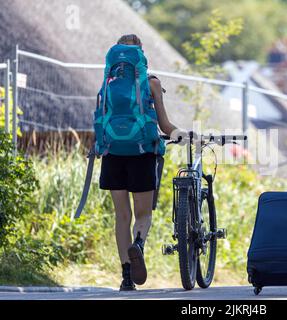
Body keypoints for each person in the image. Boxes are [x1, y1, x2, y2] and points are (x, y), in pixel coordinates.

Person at [99, 34, 179, 291]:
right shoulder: (151, 83)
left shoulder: (108, 83)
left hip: (113, 153)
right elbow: (165, 125)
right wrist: (185, 135)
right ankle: (139, 244)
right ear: (142, 55)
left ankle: (125, 276)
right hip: (142, 152)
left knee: (121, 216)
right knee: (143, 214)